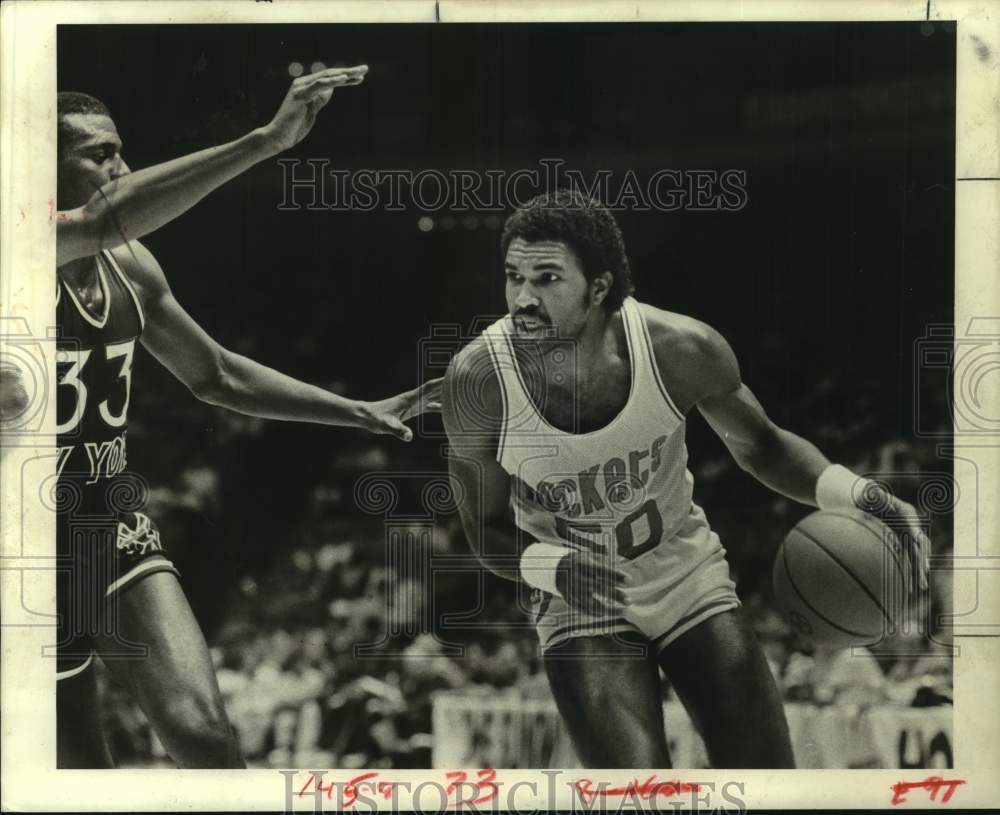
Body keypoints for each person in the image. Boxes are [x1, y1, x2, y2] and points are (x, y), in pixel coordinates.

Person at [441, 188, 929, 768]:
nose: (523, 297)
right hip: (580, 600)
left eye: (547, 279)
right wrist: (551, 566)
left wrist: (862, 494)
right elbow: (483, 525)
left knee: (766, 781)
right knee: (638, 794)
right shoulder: (477, 379)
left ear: (599, 288)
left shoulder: (679, 349)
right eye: (513, 276)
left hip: (685, 574)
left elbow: (765, 447)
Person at [42, 65, 439, 768]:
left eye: (120, 148)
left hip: (108, 518)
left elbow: (216, 374)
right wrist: (265, 139)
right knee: (78, 764)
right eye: (98, 154)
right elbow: (105, 215)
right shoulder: (18, 249)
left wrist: (359, 411)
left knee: (206, 735)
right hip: (26, 541)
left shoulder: (131, 269)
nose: (121, 166)